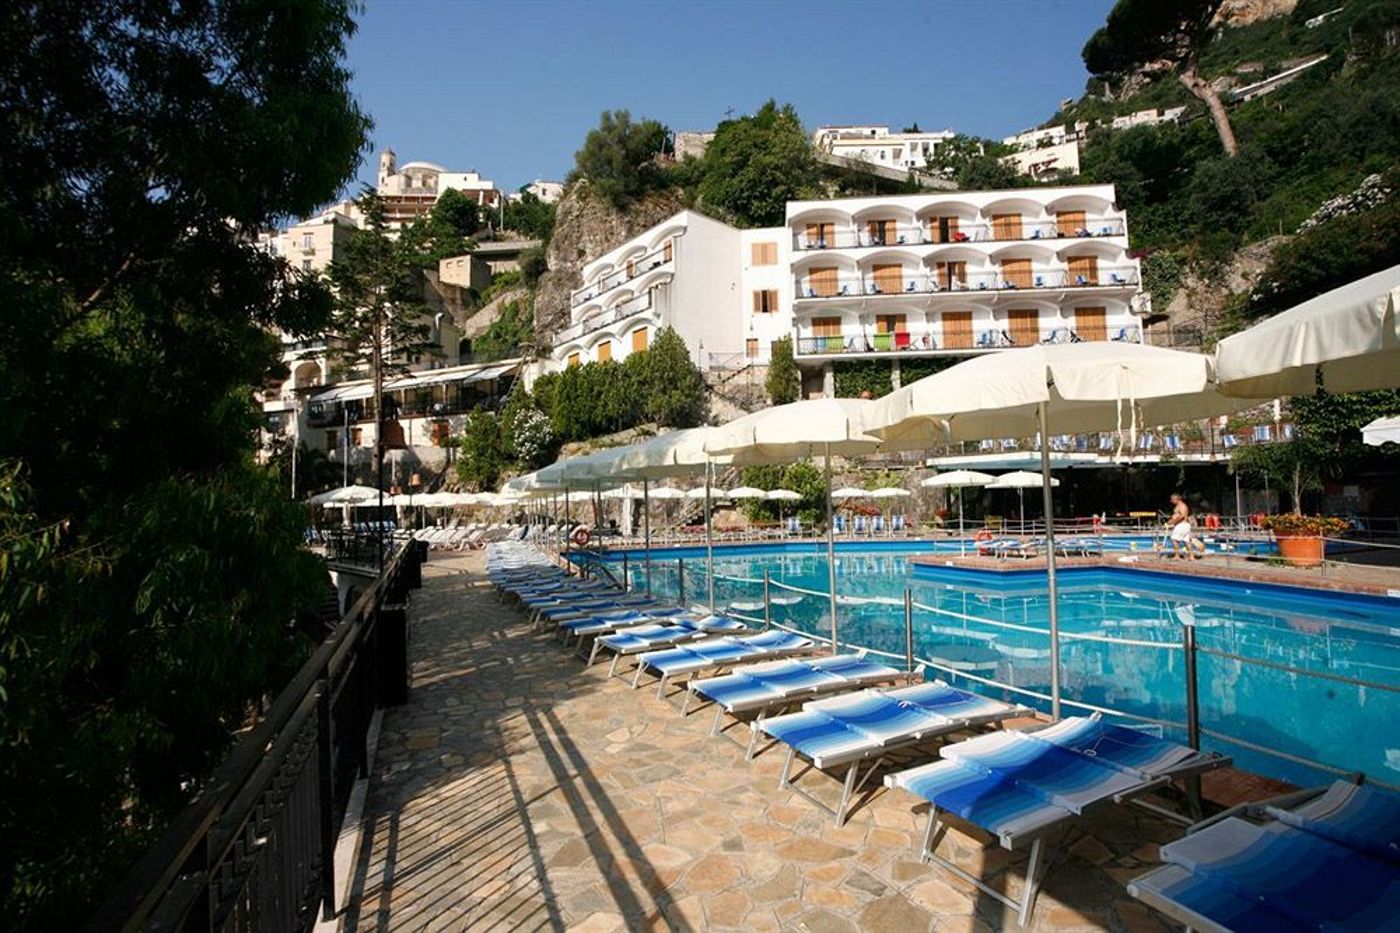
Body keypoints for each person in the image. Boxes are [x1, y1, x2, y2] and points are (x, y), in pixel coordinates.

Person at [1166, 493, 1204, 559]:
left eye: (1172, 500)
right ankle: (1191, 556)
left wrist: (1173, 521)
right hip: (1181, 525)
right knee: (1186, 541)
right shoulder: (1179, 506)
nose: (1171, 501)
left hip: (1182, 525)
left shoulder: (1182, 506)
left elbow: (1182, 516)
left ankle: (1177, 555)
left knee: (1174, 540)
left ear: (1176, 499)